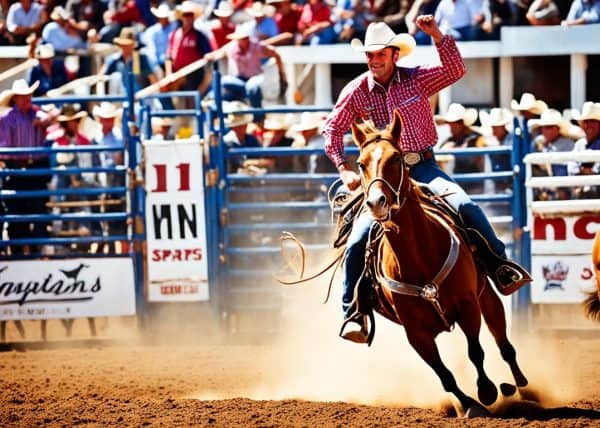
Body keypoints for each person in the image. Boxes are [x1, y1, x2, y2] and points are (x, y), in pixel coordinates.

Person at [322, 18, 530, 343]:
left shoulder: (416, 78)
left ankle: (499, 265)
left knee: (465, 205)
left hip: (422, 167)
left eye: (380, 54)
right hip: (385, 178)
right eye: (370, 55)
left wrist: (438, 36)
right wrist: (343, 167)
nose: (374, 61)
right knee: (356, 241)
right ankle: (353, 313)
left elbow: (455, 70)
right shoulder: (357, 90)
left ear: (394, 54)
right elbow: (332, 129)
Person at [0, 79, 56, 255]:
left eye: (29, 95)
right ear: (15, 98)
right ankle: (19, 253)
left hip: (33, 171)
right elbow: (4, 150)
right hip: (16, 170)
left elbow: (53, 115)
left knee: (38, 213)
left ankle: (36, 252)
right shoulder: (7, 119)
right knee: (17, 217)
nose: (27, 99)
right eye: (24, 96)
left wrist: (46, 120)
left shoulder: (35, 114)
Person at [436, 103, 486, 194]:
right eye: (450, 124)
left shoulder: (476, 139)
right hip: (457, 185)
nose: (450, 127)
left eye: (453, 123)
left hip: (474, 185)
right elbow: (439, 156)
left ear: (462, 123)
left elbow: (481, 162)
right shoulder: (451, 140)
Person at [529, 108, 575, 201]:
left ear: (557, 129)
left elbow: (566, 170)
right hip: (548, 191)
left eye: (549, 127)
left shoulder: (567, 144)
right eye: (544, 127)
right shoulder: (543, 145)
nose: (545, 131)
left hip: (564, 190)